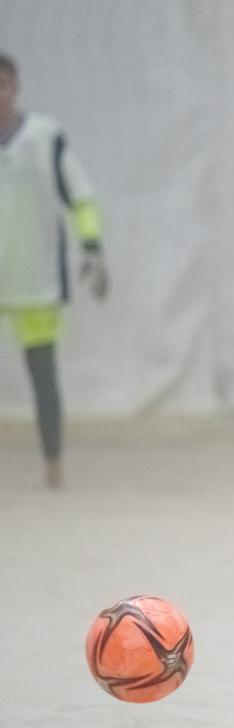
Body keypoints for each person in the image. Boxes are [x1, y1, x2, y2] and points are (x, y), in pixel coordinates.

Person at [0, 52, 109, 490]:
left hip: (35, 280)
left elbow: (80, 195)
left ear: (15, 86)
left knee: (43, 375)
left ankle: (53, 463)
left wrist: (92, 245)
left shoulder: (44, 137)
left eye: (2, 84)